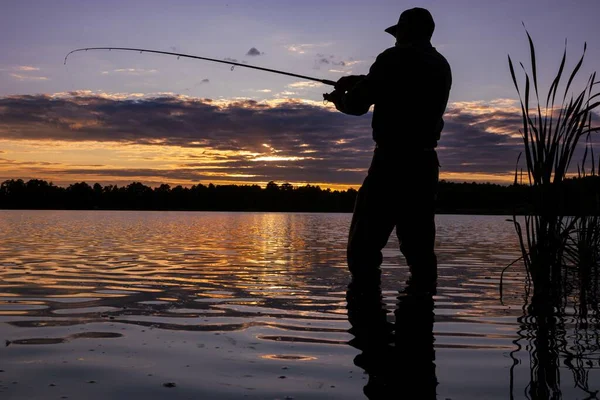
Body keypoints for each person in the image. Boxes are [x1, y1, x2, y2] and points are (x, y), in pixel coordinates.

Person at [326, 7, 452, 287]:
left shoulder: (392, 58)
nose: (395, 39)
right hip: (424, 166)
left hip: (390, 164)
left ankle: (367, 316)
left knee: (363, 247)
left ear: (405, 31)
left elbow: (358, 104)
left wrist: (338, 99)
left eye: (398, 33)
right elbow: (403, 85)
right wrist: (358, 80)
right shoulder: (441, 64)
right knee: (419, 251)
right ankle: (421, 317)